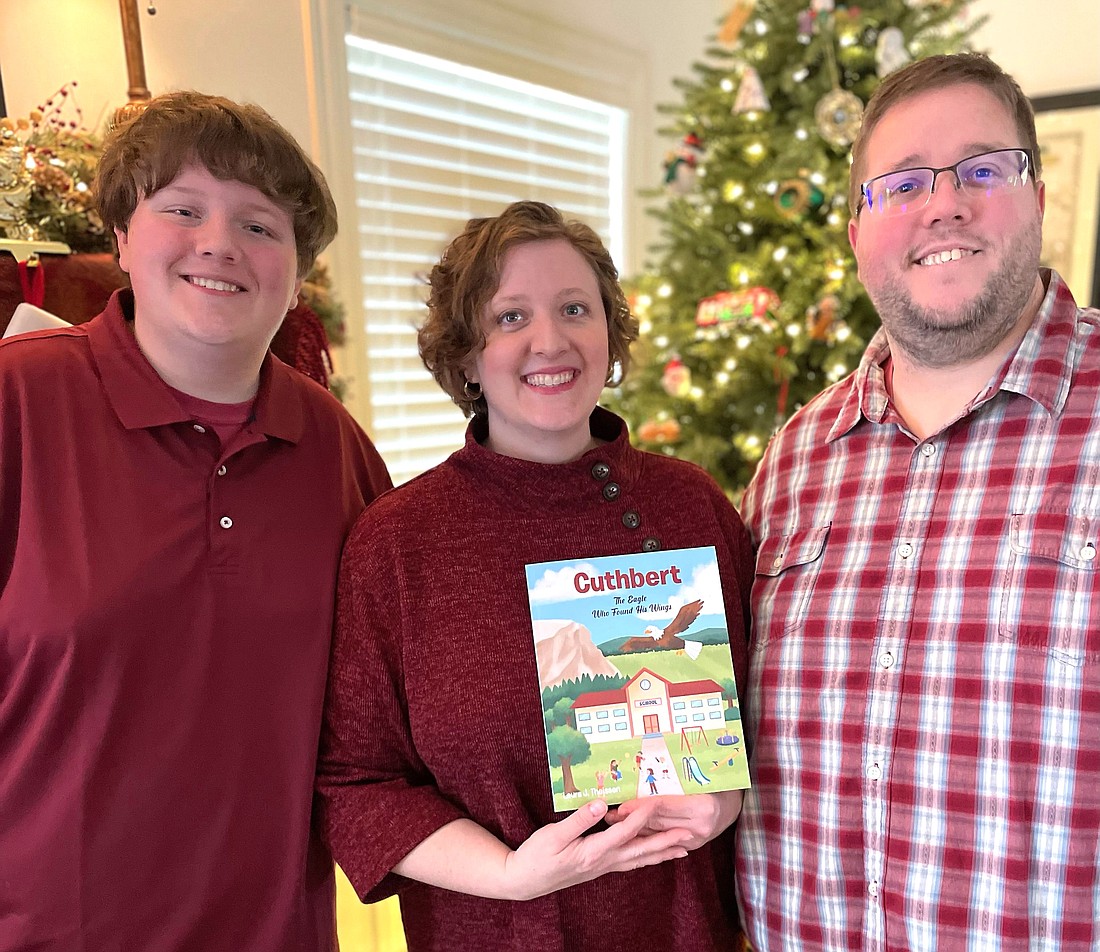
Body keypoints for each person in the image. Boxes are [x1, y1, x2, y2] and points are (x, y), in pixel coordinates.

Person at [0, 91, 391, 951]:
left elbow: (393, 701)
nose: (219, 242)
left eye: (261, 225)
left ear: (296, 271)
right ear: (122, 236)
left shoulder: (337, 449)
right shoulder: (18, 401)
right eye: (182, 209)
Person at [316, 201, 753, 950]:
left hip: (686, 930)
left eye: (575, 308)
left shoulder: (689, 505)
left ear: (610, 334)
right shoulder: (397, 543)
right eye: (509, 317)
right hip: (492, 931)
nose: (549, 341)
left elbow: (773, 709)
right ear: (463, 356)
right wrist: (510, 874)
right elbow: (355, 785)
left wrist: (727, 799)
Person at [735, 52, 1100, 950]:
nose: (945, 203)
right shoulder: (791, 460)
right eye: (901, 184)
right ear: (858, 231)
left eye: (984, 168)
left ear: (1039, 197)